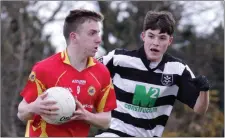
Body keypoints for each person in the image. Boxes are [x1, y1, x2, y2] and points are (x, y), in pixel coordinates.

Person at [95, 11, 210, 137]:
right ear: (143, 36)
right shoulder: (118, 59)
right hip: (113, 133)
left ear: (170, 40)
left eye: (162, 38)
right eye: (151, 36)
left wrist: (204, 90)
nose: (156, 42)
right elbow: (88, 70)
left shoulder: (178, 70)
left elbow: (200, 109)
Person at [17, 9, 117, 137]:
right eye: (92, 33)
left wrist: (87, 116)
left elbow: (106, 121)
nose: (98, 39)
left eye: (98, 33)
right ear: (74, 37)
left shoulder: (102, 72)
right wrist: (34, 108)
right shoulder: (44, 68)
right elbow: (21, 112)